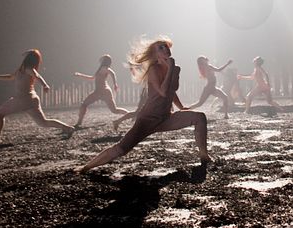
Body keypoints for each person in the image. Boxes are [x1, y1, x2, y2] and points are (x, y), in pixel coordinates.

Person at [79, 37, 210, 173]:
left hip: (165, 118)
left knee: (200, 118)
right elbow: (163, 92)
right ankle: (86, 167)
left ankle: (204, 155)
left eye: (165, 46)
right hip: (147, 119)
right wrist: (170, 68)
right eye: (160, 47)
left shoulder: (176, 69)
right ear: (155, 55)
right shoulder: (154, 69)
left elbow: (172, 91)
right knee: (121, 149)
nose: (165, 49)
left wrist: (181, 107)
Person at [0, 49, 75, 142]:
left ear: (28, 58)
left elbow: (37, 76)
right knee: (43, 122)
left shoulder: (28, 69)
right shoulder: (22, 69)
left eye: (26, 55)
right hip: (31, 99)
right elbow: (10, 77)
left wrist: (45, 85)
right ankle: (67, 128)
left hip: (23, 99)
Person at [73, 54, 129, 127]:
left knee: (114, 110)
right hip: (98, 91)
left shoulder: (104, 68)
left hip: (104, 91)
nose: (100, 60)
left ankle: (130, 114)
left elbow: (112, 73)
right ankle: (79, 122)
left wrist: (115, 84)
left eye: (102, 59)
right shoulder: (101, 69)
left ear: (104, 61)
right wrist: (80, 75)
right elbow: (92, 78)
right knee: (84, 104)